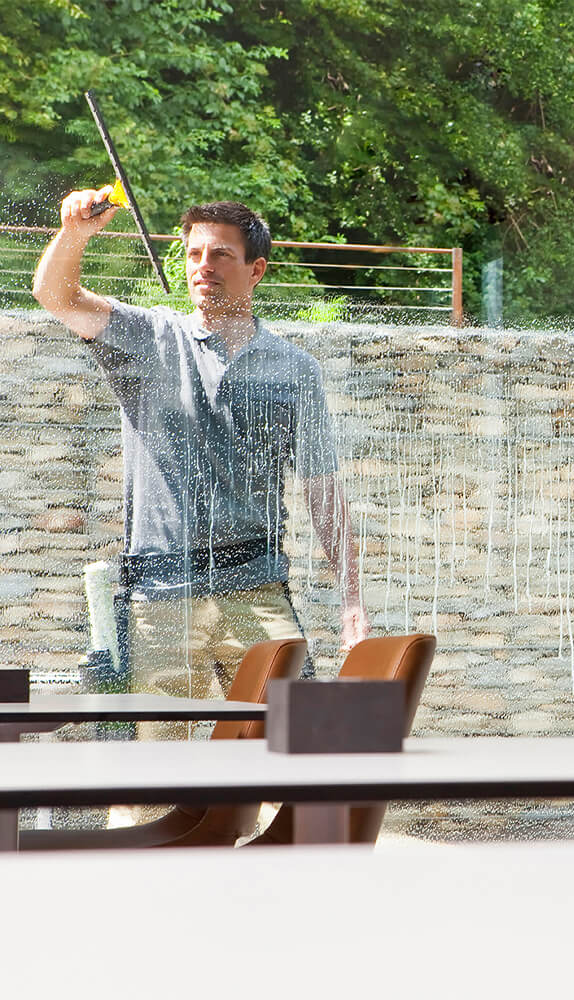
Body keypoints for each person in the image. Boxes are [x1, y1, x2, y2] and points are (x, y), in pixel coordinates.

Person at [33, 187, 370, 730]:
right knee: (154, 760)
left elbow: (323, 490)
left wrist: (352, 600)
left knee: (298, 739)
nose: (203, 266)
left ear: (256, 270)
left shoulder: (294, 369)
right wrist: (74, 234)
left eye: (220, 254)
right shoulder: (150, 337)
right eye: (194, 254)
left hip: (256, 585)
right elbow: (56, 296)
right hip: (159, 592)